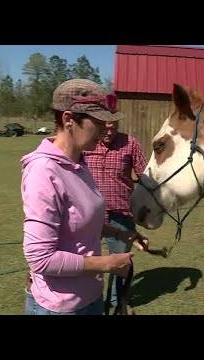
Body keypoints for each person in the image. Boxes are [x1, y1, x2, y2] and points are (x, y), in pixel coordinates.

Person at [20, 78, 149, 315]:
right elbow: (41, 259)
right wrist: (106, 264)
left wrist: (121, 233)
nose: (104, 130)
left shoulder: (79, 162)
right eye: (97, 122)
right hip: (61, 306)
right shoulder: (44, 171)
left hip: (89, 297)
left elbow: (81, 220)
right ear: (68, 119)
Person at [83, 113, 147, 315]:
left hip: (121, 214)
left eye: (114, 126)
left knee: (121, 260)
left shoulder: (130, 143)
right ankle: (89, 301)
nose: (109, 130)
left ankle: (119, 302)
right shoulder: (87, 144)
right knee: (86, 259)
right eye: (105, 126)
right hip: (89, 215)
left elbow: (145, 175)